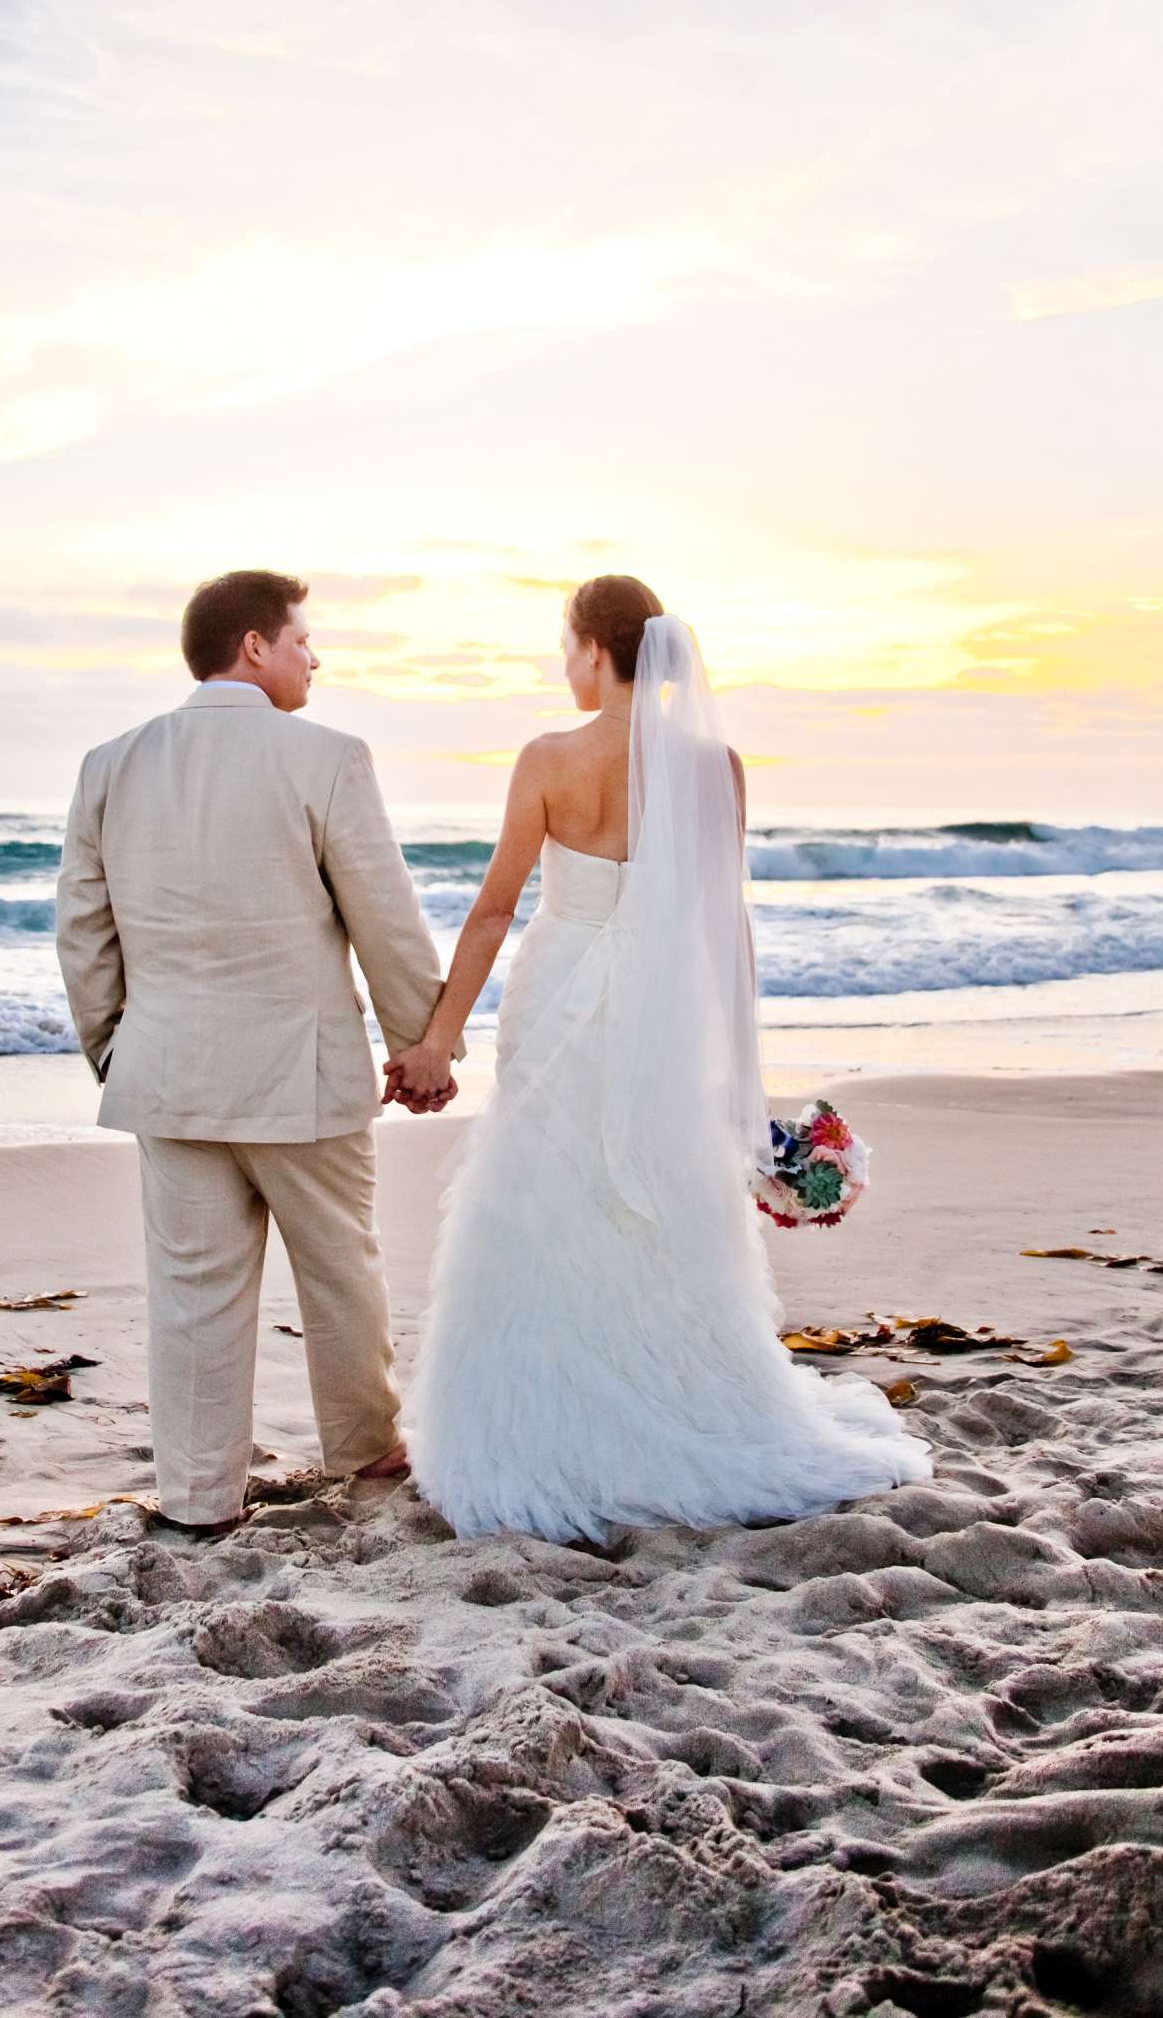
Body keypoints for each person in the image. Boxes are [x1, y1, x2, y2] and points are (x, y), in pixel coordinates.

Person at [387, 574, 931, 1544]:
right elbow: (727, 928)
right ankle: (682, 1401)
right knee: (656, 1198)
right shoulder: (715, 764)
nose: (563, 666)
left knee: (543, 1194)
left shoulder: (549, 758)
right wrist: (737, 1069)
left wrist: (437, 1040)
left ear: (597, 650)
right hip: (663, 1013)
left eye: (566, 647)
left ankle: (538, 1428)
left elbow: (494, 908)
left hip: (558, 998)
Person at [56, 569, 460, 1537]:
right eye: (301, 641)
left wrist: (116, 1049)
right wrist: (421, 1045)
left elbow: (82, 929)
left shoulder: (109, 763)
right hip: (299, 1074)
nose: (313, 657)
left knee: (194, 1292)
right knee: (339, 1272)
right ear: (253, 647)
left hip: (165, 1075)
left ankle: (199, 1498)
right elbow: (384, 917)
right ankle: (364, 1450)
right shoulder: (325, 757)